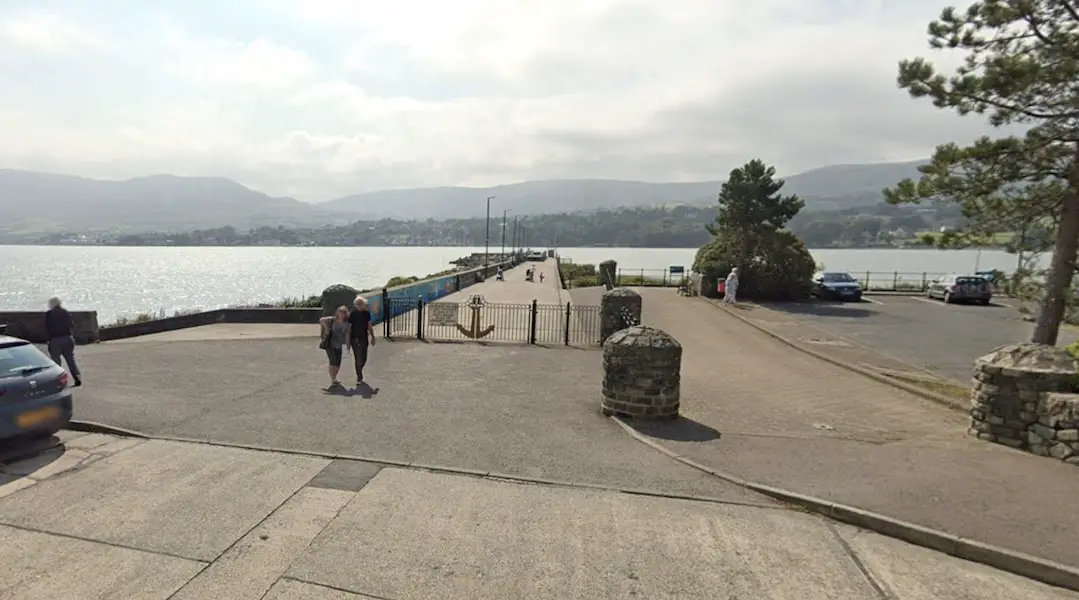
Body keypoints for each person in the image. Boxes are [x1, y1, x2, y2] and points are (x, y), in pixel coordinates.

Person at [45, 296, 81, 386]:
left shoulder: (49, 314)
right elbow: (72, 325)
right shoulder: (65, 312)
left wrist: (49, 340)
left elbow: (48, 328)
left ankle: (60, 381)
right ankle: (77, 377)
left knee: (56, 362)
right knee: (70, 359)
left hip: (55, 339)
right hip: (68, 338)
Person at [319, 305, 350, 389]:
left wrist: (348, 345)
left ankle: (334, 378)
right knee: (332, 361)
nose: (342, 313)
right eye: (340, 311)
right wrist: (326, 328)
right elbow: (321, 320)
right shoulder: (331, 320)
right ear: (337, 312)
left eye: (344, 312)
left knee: (338, 363)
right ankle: (333, 380)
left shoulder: (346, 323)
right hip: (330, 344)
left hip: (339, 344)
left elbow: (347, 334)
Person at [348, 295, 376, 385]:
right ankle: (359, 376)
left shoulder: (366, 314)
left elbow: (369, 326)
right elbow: (349, 328)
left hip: (364, 337)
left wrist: (373, 336)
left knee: (364, 357)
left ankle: (360, 369)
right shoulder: (352, 314)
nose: (359, 305)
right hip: (354, 338)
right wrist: (348, 341)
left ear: (364, 304)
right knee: (358, 357)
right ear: (355, 305)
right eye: (357, 304)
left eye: (361, 304)